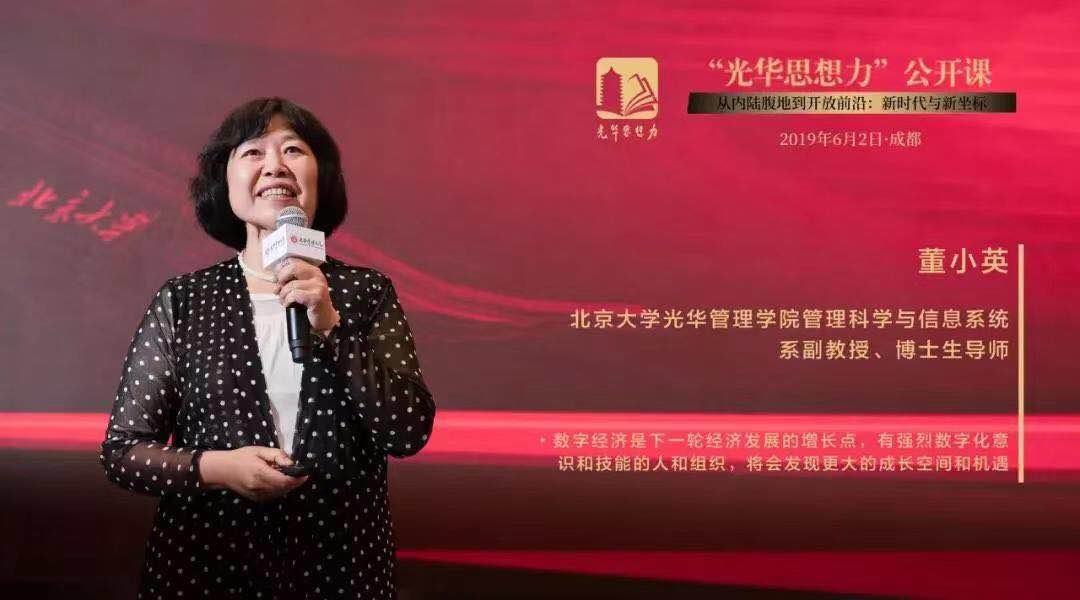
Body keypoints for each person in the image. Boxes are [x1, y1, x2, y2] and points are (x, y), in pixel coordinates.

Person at [99, 97, 436, 599]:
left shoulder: (365, 293)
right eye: (253, 152)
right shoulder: (185, 300)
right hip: (206, 569)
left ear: (322, 177)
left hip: (341, 572)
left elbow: (408, 431)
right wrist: (218, 469)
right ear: (225, 181)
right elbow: (124, 451)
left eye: (293, 150)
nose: (275, 166)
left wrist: (331, 326)